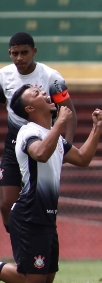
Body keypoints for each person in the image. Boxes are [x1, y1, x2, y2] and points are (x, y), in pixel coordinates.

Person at [0, 85, 102, 283]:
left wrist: (97, 128)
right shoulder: (27, 131)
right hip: (29, 214)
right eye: (36, 94)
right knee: (32, 281)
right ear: (29, 109)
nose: (45, 94)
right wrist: (61, 124)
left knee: (46, 280)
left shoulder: (53, 136)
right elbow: (39, 153)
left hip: (46, 215)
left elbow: (83, 158)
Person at [0, 32, 77, 233]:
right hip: (14, 144)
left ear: (34, 51)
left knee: (42, 201)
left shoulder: (51, 78)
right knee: (6, 203)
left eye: (24, 53)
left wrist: (64, 147)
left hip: (43, 140)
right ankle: (19, 242)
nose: (19, 58)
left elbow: (69, 112)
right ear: (9, 53)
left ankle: (36, 246)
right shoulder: (3, 76)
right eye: (15, 53)